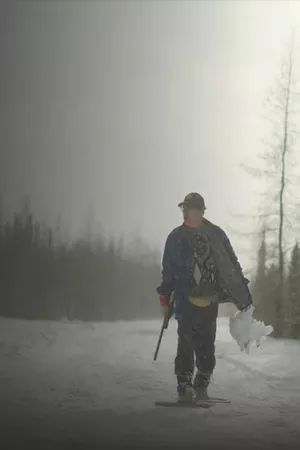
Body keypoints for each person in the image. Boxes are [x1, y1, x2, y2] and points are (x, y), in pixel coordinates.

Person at [156, 192, 253, 403]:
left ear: (201, 211)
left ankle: (202, 382)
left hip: (209, 299)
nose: (185, 213)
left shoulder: (216, 235)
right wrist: (164, 297)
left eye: (189, 209)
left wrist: (242, 293)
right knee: (186, 342)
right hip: (184, 298)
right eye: (183, 209)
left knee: (207, 344)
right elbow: (168, 270)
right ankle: (184, 385)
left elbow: (231, 263)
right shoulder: (175, 237)